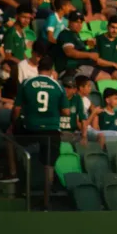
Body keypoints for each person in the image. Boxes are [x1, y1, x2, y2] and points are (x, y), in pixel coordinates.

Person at [11, 56, 71, 210]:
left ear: (38, 68)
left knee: (9, 139)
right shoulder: (57, 86)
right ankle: (46, 202)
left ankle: (13, 176)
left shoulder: (27, 83)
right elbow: (66, 111)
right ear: (52, 70)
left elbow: (16, 108)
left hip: (30, 128)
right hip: (51, 130)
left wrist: (14, 124)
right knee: (48, 166)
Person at [55, 11, 117, 81]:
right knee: (108, 77)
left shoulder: (75, 35)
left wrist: (85, 43)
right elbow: (70, 52)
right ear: (69, 22)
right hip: (70, 69)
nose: (79, 25)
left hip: (80, 67)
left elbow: (76, 47)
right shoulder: (66, 34)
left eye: (81, 22)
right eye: (76, 22)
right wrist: (89, 55)